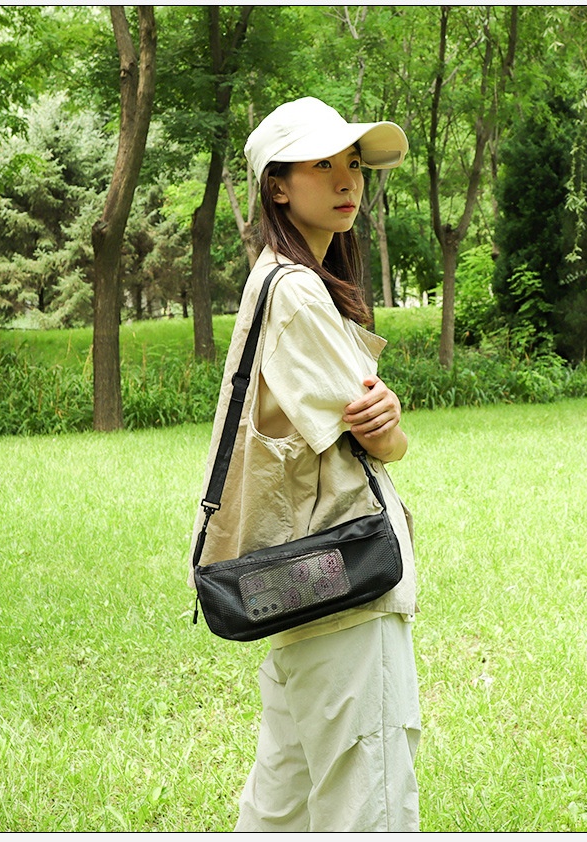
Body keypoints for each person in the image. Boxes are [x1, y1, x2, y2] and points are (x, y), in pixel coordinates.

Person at [188, 96, 420, 832]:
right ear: (278, 187)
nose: (347, 178)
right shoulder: (297, 291)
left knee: (279, 813)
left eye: (352, 162)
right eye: (322, 163)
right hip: (345, 587)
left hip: (301, 589)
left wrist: (383, 423)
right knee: (368, 805)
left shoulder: (274, 281)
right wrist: (394, 432)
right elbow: (373, 436)